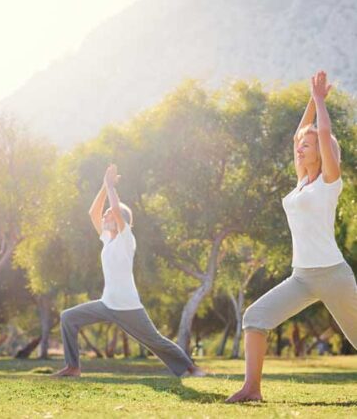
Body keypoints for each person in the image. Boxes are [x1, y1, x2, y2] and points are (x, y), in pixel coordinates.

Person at [226, 71, 357, 403]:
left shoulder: (329, 182)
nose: (300, 149)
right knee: (255, 317)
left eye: (308, 146)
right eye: (300, 146)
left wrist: (321, 104)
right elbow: (300, 135)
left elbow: (323, 133)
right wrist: (310, 107)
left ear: (324, 152)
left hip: (333, 275)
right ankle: (252, 389)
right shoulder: (300, 182)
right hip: (301, 277)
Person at [53, 164, 205, 378]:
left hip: (128, 305)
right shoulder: (107, 239)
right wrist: (104, 188)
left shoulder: (126, 239)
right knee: (68, 317)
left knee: (154, 340)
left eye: (109, 215)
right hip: (107, 304)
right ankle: (73, 367)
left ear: (119, 220)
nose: (105, 217)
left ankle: (191, 368)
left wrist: (111, 187)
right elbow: (92, 212)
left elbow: (115, 209)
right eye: (106, 215)